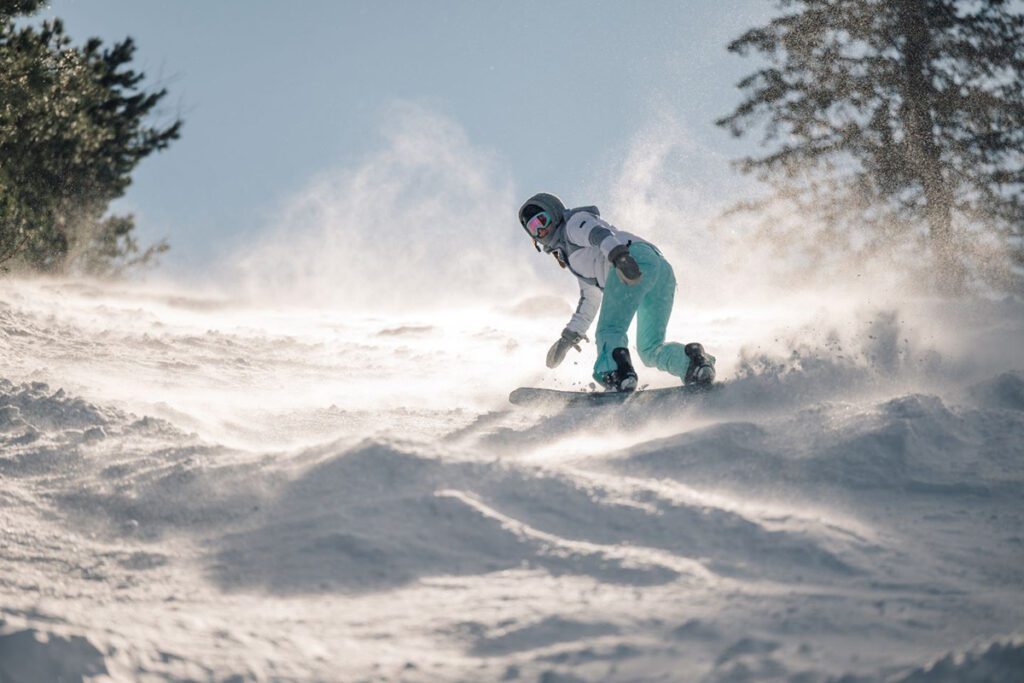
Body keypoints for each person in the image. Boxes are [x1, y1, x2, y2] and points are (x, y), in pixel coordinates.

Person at [518, 192, 715, 392]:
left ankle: (615, 375)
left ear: (554, 213)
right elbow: (590, 299)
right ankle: (693, 363)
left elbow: (598, 234)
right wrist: (569, 338)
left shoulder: (573, 223)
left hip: (630, 261)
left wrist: (619, 257)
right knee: (649, 349)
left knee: (609, 331)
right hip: (659, 269)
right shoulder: (575, 258)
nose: (542, 229)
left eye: (543, 220)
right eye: (533, 228)